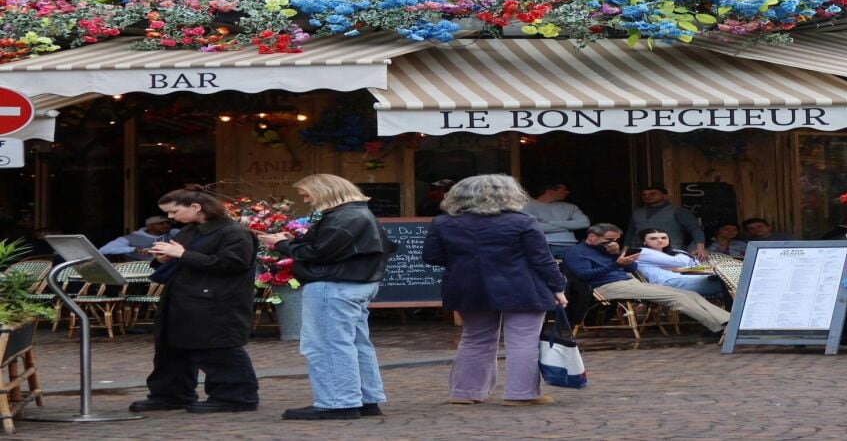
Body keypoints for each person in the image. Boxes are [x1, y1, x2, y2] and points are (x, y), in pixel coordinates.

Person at [257, 174, 395, 421]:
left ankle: (338, 402)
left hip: (334, 285)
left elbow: (320, 253)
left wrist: (281, 244)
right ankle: (365, 398)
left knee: (327, 344)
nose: (307, 200)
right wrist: (292, 242)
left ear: (324, 191)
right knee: (355, 343)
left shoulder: (341, 217)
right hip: (357, 284)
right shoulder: (358, 213)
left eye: (308, 194)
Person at [422, 174, 567, 407]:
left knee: (475, 339)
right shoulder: (523, 221)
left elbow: (431, 257)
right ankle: (521, 394)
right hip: (521, 286)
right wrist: (558, 287)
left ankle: (465, 392)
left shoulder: (443, 222)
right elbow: (542, 259)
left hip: (468, 286)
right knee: (522, 341)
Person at [129, 188, 259, 414]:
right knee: (171, 349)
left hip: (216, 300)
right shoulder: (190, 231)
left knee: (217, 348)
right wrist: (163, 258)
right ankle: (171, 394)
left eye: (174, 211)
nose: (171, 217)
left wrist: (182, 255)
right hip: (182, 297)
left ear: (195, 207)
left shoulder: (234, 232)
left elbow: (234, 264)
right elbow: (181, 258)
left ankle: (235, 396)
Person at [562, 224, 729, 336]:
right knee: (677, 298)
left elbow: (632, 269)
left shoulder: (607, 250)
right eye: (609, 240)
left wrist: (618, 256)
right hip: (604, 287)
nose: (613, 243)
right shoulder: (576, 252)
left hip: (628, 282)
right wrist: (615, 263)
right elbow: (584, 276)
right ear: (591, 238)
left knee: (689, 294)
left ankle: (729, 322)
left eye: (616, 240)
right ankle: (720, 328)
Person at [633, 228, 724, 298]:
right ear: (644, 241)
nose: (660, 240)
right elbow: (679, 262)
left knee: (725, 286)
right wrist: (686, 265)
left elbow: (698, 265)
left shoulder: (676, 251)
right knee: (726, 285)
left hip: (689, 278)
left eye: (664, 237)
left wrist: (680, 268)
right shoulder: (641, 252)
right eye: (653, 238)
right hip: (668, 283)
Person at [627, 186, 706, 256]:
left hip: (670, 253)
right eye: (644, 195)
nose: (647, 196)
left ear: (665, 196)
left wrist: (700, 248)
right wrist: (625, 251)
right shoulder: (637, 212)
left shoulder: (679, 211)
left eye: (653, 194)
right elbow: (630, 233)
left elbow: (695, 229)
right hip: (639, 253)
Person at [522, 181, 590, 257]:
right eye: (564, 190)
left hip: (569, 245)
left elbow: (584, 223)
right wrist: (570, 227)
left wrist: (551, 222)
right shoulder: (528, 206)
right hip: (543, 245)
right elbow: (532, 226)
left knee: (569, 268)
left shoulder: (570, 207)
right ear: (550, 191)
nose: (567, 192)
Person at [99, 216, 178, 261]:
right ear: (149, 226)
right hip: (138, 272)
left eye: (168, 223)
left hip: (165, 269)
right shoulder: (131, 238)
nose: (166, 225)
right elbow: (103, 250)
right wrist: (134, 249)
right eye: (160, 224)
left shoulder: (171, 233)